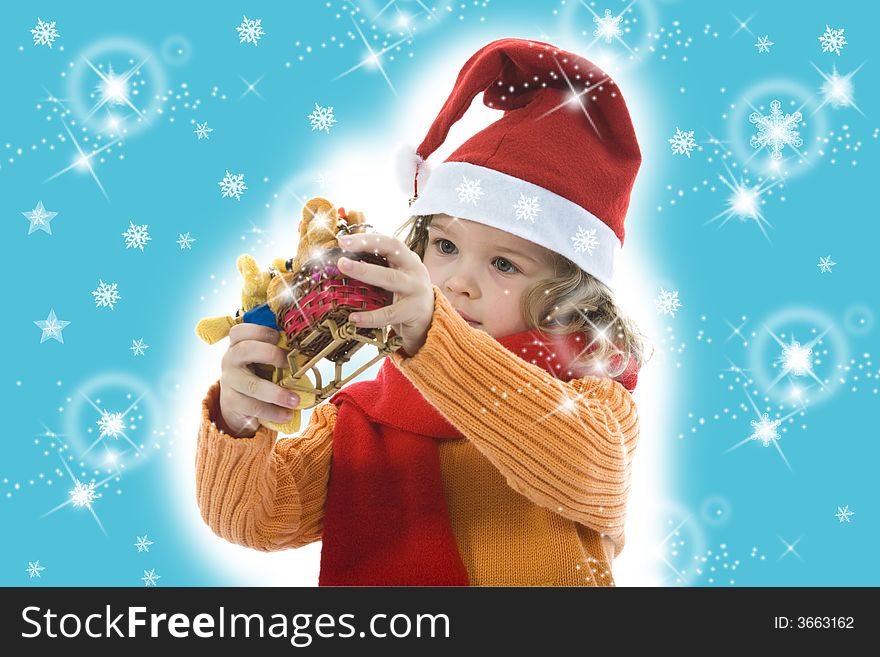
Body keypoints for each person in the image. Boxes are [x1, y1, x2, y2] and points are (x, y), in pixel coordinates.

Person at [195, 38, 651, 586]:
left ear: (570, 297)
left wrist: (435, 340)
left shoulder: (595, 400)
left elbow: (581, 469)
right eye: (446, 247)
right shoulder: (364, 411)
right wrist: (241, 419)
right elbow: (257, 521)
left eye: (505, 265)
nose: (458, 281)